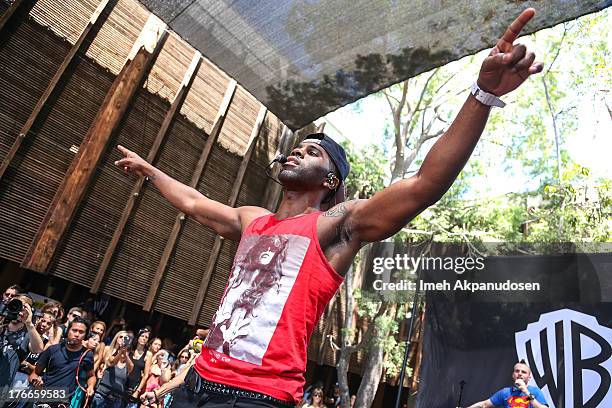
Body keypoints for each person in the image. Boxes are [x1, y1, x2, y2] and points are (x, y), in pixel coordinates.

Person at [115, 8, 544, 407]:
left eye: (312, 152)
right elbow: (193, 201)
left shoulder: (335, 226)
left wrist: (483, 94)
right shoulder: (253, 220)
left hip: (254, 396)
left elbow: (424, 185)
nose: (297, 152)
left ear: (330, 180)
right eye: (296, 148)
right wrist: (151, 172)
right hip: (198, 381)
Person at [29, 317, 96, 406]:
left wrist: (91, 386)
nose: (77, 334)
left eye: (81, 332)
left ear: (85, 335)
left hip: (63, 403)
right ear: (68, 331)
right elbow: (34, 374)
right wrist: (35, 382)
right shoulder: (52, 350)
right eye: (74, 330)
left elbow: (91, 376)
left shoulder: (87, 355)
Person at [0, 294, 44, 388]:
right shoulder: (1, 325)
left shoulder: (28, 334)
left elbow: (38, 349)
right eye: (17, 305)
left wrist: (29, 323)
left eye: (23, 307)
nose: (19, 311)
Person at [462, 360, 548, 408]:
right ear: (513, 375)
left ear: (529, 377)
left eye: (524, 372)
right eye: (517, 371)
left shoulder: (534, 392)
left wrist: (526, 392)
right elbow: (484, 405)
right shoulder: (505, 392)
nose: (520, 373)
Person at [91, 331, 134, 408]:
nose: (122, 339)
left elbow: (131, 367)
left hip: (117, 397)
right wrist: (120, 351)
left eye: (125, 338)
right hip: (103, 393)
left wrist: (125, 353)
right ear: (116, 338)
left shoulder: (128, 357)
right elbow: (111, 362)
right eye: (120, 337)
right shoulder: (108, 350)